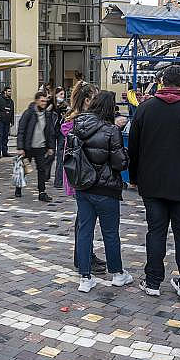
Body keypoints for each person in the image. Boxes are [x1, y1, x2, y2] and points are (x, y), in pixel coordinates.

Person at [128, 64, 180, 300]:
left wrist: (134, 177)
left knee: (155, 232)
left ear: (162, 82)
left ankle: (153, 281)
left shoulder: (145, 109)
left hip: (152, 182)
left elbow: (133, 149)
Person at [71, 91, 132, 292]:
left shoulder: (78, 124)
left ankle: (85, 277)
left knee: (84, 231)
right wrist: (126, 155)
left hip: (83, 186)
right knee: (110, 232)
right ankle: (117, 273)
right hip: (106, 188)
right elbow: (120, 163)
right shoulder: (111, 130)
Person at [61, 82, 106, 274]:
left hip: (80, 173)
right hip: (82, 174)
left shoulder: (79, 119)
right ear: (87, 100)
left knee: (84, 219)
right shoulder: (81, 122)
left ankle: (85, 255)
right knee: (85, 220)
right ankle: (83, 257)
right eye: (95, 98)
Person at [16, 91, 56, 202]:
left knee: (42, 170)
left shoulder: (47, 115)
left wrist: (50, 147)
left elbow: (50, 132)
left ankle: (42, 192)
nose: (44, 103)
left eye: (45, 101)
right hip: (28, 147)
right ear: (36, 101)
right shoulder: (28, 113)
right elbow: (21, 130)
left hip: (41, 147)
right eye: (42, 101)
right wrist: (20, 147)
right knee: (24, 169)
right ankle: (18, 187)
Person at [51, 87, 69, 188]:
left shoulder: (65, 105)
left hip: (61, 132)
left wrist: (66, 113)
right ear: (56, 94)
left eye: (63, 94)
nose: (62, 96)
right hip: (51, 132)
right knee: (50, 155)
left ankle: (58, 181)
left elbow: (68, 118)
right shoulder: (50, 105)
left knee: (60, 156)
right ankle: (46, 175)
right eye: (61, 94)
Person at [0, 86, 14, 158]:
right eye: (8, 91)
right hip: (0, 121)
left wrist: (12, 121)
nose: (10, 93)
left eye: (10, 91)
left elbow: (12, 112)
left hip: (7, 122)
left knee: (5, 138)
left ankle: (5, 152)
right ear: (5, 92)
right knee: (0, 137)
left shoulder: (11, 101)